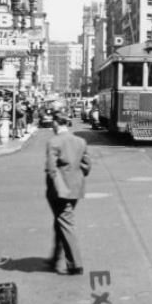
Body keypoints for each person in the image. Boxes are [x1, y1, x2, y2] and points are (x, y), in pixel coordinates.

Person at [44, 111, 92, 275]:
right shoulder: (80, 141)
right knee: (61, 221)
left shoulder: (53, 142)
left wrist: (57, 185)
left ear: (56, 124)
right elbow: (87, 165)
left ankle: (75, 264)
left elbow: (51, 169)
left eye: (53, 123)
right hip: (75, 188)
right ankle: (55, 258)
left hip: (59, 190)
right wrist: (76, 177)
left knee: (64, 222)